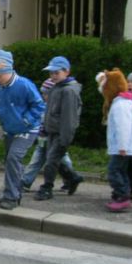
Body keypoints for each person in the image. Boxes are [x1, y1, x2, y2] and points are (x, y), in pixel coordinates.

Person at [0, 50, 46, 210]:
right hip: (10, 131)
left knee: (13, 158)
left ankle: (11, 196)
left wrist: (26, 120)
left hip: (27, 130)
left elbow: (39, 105)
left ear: (9, 71)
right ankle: (14, 194)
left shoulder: (24, 85)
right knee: (11, 161)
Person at [32, 57, 84, 200]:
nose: (53, 76)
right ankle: (73, 177)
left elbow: (69, 117)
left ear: (66, 72)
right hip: (52, 131)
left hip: (62, 133)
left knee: (51, 161)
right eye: (51, 73)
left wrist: (65, 138)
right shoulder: (56, 88)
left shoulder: (69, 91)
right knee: (55, 160)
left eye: (56, 73)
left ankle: (47, 188)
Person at [21, 76, 77, 193]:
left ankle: (70, 180)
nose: (44, 96)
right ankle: (25, 181)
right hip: (42, 139)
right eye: (43, 93)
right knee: (35, 161)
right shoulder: (41, 106)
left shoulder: (56, 106)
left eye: (46, 94)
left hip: (55, 139)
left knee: (63, 161)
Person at [100, 69, 132, 212]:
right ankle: (122, 195)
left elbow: (124, 127)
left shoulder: (120, 105)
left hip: (122, 147)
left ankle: (122, 196)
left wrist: (122, 146)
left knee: (114, 171)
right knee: (121, 171)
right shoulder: (123, 102)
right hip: (123, 146)